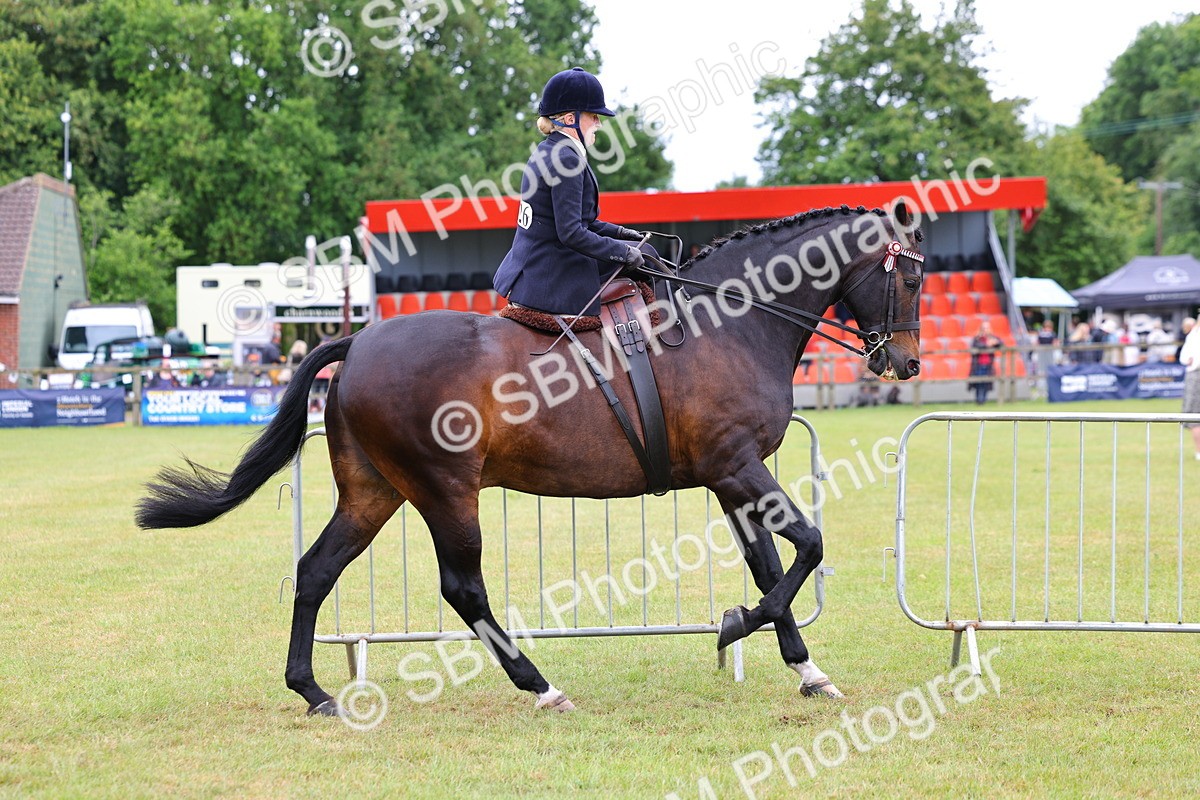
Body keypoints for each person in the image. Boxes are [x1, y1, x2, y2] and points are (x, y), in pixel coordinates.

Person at [493, 67, 651, 316]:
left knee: (641, 249)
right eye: (593, 116)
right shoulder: (567, 159)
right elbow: (572, 233)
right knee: (648, 258)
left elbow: (581, 221)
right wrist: (621, 251)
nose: (599, 123)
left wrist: (622, 233)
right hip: (552, 273)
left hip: (533, 265)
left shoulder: (549, 149)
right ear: (570, 119)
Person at [1179, 316, 1200, 461]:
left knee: (1194, 416)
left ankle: (1199, 452)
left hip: (1195, 376)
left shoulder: (1194, 336)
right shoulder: (1193, 335)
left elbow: (1185, 358)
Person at [968, 320, 1002, 404]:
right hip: (978, 364)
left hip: (988, 364)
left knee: (986, 383)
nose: (985, 330)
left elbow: (1000, 343)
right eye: (984, 328)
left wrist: (994, 342)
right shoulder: (977, 338)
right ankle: (979, 400)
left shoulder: (992, 338)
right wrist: (987, 344)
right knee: (979, 383)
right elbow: (977, 346)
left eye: (987, 328)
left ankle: (983, 400)